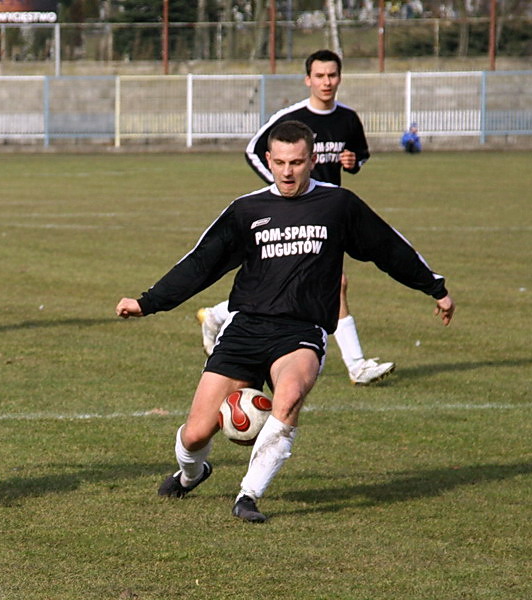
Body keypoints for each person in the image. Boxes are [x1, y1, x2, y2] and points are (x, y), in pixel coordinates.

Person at [116, 121, 454, 523]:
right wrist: (147, 303)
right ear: (268, 161)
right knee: (195, 434)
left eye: (297, 162)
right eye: (280, 162)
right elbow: (201, 263)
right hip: (244, 329)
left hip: (301, 331)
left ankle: (248, 495)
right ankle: (191, 475)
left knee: (289, 396)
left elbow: (388, 247)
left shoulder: (338, 205)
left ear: (313, 160)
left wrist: (434, 287)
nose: (288, 171)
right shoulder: (247, 209)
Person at [197, 49, 394, 386]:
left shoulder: (348, 118)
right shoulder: (292, 118)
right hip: (291, 212)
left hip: (330, 217)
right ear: (308, 80)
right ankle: (357, 365)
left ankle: (218, 313)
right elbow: (253, 150)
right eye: (319, 76)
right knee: (326, 283)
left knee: (309, 285)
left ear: (340, 78)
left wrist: (352, 162)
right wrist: (281, 188)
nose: (326, 82)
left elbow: (358, 155)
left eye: (332, 75)